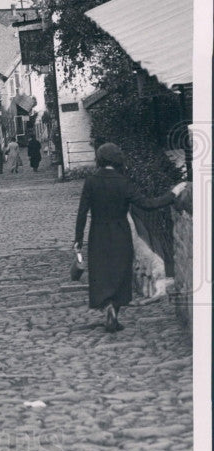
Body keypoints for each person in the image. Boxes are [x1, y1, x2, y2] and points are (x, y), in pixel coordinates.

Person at [73, 142, 184, 333]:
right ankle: (114, 310)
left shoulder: (91, 181)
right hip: (120, 234)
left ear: (99, 159)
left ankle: (106, 305)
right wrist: (172, 194)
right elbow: (148, 204)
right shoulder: (123, 183)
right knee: (119, 273)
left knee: (102, 273)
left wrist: (78, 239)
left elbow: (82, 212)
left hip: (98, 233)